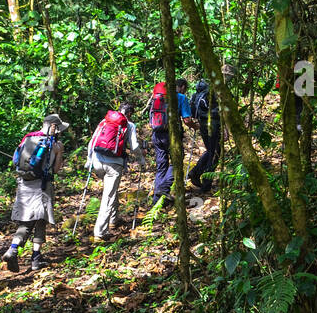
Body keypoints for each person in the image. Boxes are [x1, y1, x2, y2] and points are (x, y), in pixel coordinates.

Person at [3, 113, 68, 272]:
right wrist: (59, 153)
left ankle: (24, 253)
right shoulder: (54, 144)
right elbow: (55, 170)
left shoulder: (28, 138)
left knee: (28, 220)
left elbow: (15, 160)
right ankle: (25, 254)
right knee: (39, 220)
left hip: (24, 184)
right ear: (54, 127)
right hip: (42, 186)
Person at [86, 102, 147, 241]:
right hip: (113, 164)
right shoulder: (129, 125)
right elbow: (135, 146)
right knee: (108, 196)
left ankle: (114, 219)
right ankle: (100, 232)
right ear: (130, 114)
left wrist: (89, 160)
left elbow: (92, 141)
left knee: (110, 191)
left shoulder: (105, 120)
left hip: (97, 161)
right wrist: (141, 159)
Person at [149, 78, 195, 208]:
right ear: (182, 86)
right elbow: (186, 119)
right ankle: (163, 188)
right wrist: (195, 127)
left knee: (161, 166)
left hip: (157, 134)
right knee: (177, 161)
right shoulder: (180, 97)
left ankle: (157, 203)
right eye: (185, 89)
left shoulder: (157, 97)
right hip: (171, 135)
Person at [187, 70, 226, 193]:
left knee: (211, 151)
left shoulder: (196, 96)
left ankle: (195, 172)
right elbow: (221, 111)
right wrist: (225, 128)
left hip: (202, 124)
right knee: (215, 153)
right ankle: (206, 184)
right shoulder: (212, 94)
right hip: (213, 125)